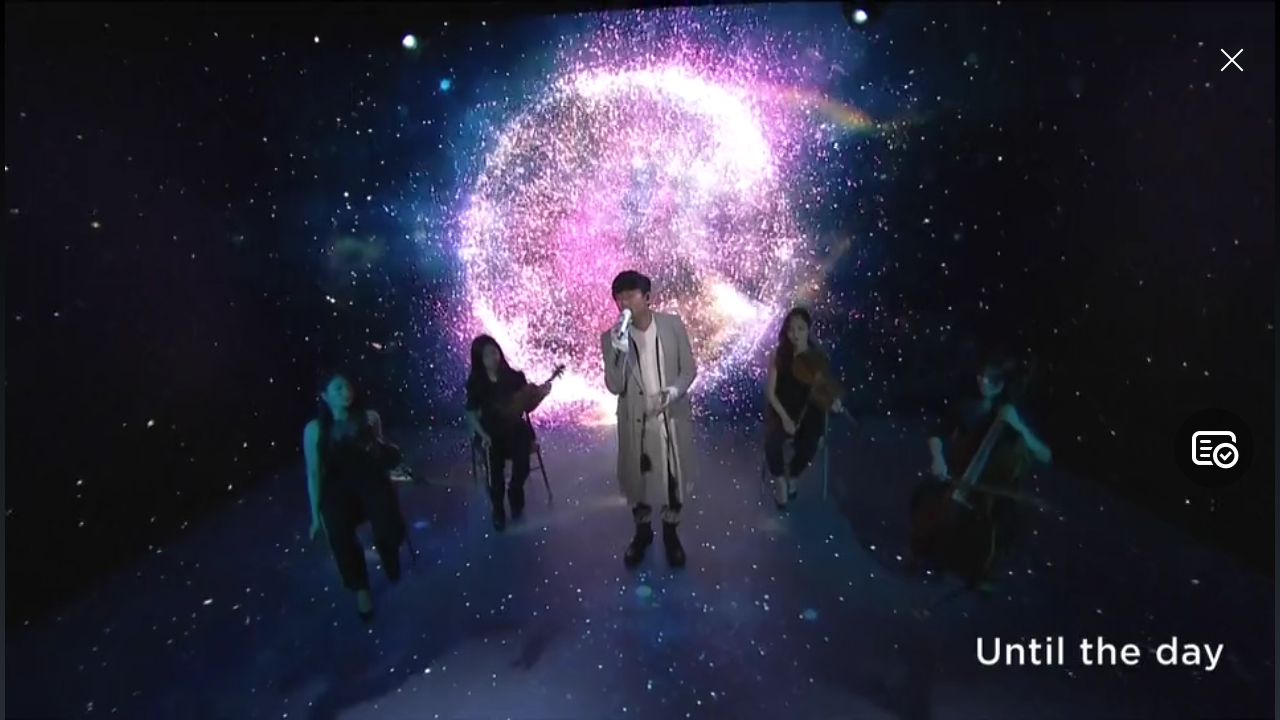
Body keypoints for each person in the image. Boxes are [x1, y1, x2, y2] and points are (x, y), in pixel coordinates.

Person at [920, 353, 1052, 585]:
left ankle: (984, 566)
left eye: (990, 379)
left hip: (996, 491)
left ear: (1002, 384)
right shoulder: (969, 404)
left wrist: (1019, 427)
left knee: (1001, 526)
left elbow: (1045, 455)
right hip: (963, 475)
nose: (981, 382)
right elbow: (938, 431)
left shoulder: (1016, 411)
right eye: (980, 376)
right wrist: (937, 457)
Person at [601, 270, 698, 568]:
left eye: (630, 295)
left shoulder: (672, 325)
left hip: (670, 418)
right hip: (636, 422)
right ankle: (642, 533)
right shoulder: (610, 337)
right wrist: (618, 352)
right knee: (638, 482)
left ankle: (671, 533)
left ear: (646, 297)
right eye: (619, 298)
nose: (624, 303)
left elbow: (689, 369)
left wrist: (673, 391)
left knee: (673, 479)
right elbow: (615, 386)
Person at [303, 371, 407, 622]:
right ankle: (361, 588)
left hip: (370, 480)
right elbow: (314, 473)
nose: (346, 393)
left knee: (390, 527)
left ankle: (388, 552)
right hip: (337, 488)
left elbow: (379, 450)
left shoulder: (369, 418)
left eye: (347, 387)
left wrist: (390, 470)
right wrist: (315, 516)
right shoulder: (315, 430)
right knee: (339, 537)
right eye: (338, 389)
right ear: (324, 396)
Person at [464, 335, 548, 532]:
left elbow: (528, 407)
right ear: (479, 359)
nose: (493, 358)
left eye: (495, 352)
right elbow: (470, 413)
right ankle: (498, 508)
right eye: (487, 355)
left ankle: (515, 490)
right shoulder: (476, 383)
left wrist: (540, 395)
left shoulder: (515, 377)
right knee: (494, 472)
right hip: (490, 432)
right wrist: (483, 435)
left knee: (522, 465)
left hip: (516, 429)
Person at [763, 307, 843, 510]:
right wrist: (785, 419)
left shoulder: (816, 357)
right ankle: (780, 481)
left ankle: (793, 474)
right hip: (782, 408)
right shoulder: (777, 355)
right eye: (791, 330)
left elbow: (824, 389)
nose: (795, 335)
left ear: (808, 330)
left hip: (809, 410)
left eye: (800, 329)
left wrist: (833, 402)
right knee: (772, 443)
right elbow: (770, 393)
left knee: (809, 445)